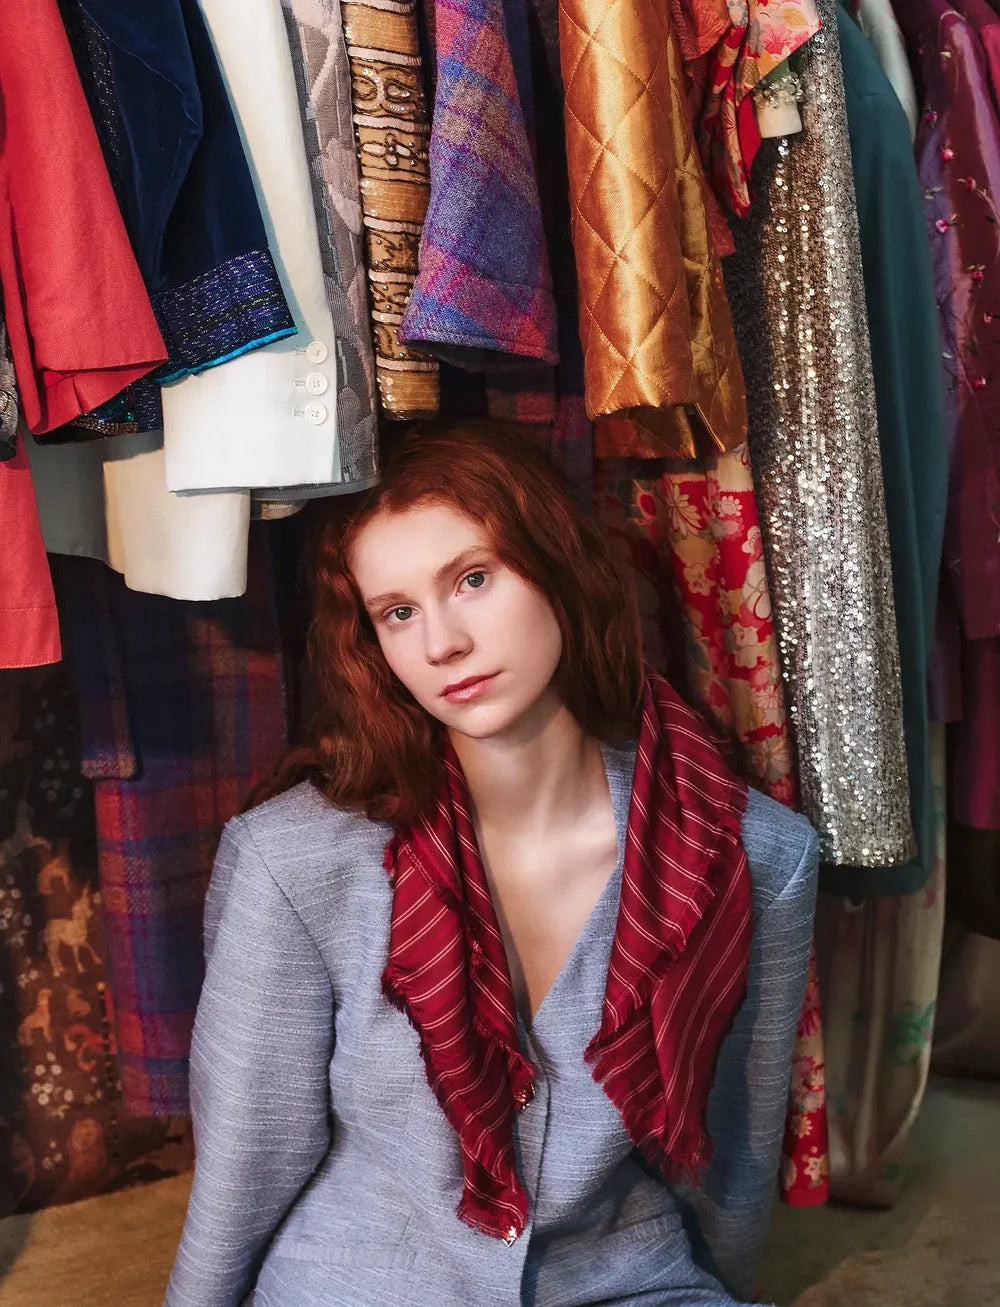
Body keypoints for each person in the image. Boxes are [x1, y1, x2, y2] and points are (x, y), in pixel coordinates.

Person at [163, 420, 819, 1307]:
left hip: (620, 1284)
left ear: (555, 565)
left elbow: (732, 1152)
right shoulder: (293, 859)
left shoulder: (751, 855)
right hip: (363, 1285)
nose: (442, 644)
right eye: (399, 612)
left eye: (473, 579)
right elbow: (250, 1156)